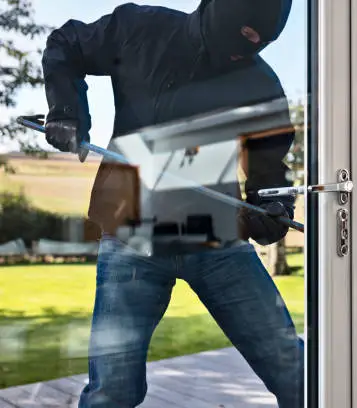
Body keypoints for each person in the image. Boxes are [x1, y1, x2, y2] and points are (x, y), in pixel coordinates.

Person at [41, 1, 303, 407]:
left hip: (218, 240)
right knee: (113, 391)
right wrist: (65, 110)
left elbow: (270, 171)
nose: (250, 47)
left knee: (295, 371)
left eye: (263, 41)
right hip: (132, 235)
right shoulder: (139, 29)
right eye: (246, 33)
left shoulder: (260, 82)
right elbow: (65, 44)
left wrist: (275, 210)